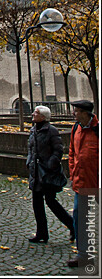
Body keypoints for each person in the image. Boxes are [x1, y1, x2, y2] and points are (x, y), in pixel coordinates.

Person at [26, 105, 74, 244]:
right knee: (37, 204)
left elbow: (58, 150)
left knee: (51, 202)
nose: (33, 114)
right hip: (36, 172)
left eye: (36, 112)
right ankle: (42, 233)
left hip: (47, 173)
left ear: (43, 117)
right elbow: (31, 149)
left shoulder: (51, 131)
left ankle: (72, 226)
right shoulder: (33, 130)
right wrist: (29, 162)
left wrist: (49, 165)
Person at [67, 99, 99, 268]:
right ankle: (83, 255)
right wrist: (73, 171)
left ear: (86, 113)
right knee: (80, 217)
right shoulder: (76, 129)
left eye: (77, 111)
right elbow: (72, 152)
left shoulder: (98, 129)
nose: (74, 113)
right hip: (82, 182)